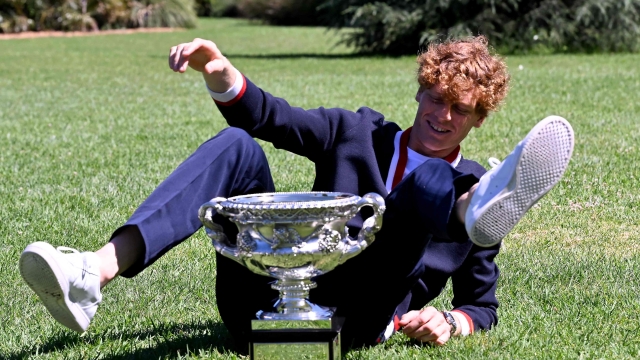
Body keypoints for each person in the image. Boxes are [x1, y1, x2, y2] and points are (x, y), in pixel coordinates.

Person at [18, 35, 574, 350]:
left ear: (478, 119)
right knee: (238, 146)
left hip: (347, 324)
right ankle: (93, 271)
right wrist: (219, 70)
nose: (442, 115)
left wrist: (453, 322)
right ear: (419, 92)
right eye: (435, 98)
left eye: (460, 108)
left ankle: (460, 213)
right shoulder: (355, 132)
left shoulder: (471, 185)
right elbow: (270, 117)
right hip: (255, 307)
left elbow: (482, 304)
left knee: (436, 185)